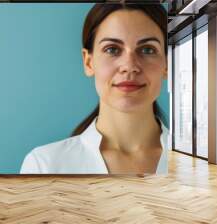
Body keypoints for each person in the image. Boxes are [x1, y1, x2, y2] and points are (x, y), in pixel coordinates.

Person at [20, 3, 168, 174]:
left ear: (168, 63)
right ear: (88, 62)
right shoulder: (44, 166)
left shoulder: (200, 165)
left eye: (147, 49)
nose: (129, 66)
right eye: (112, 49)